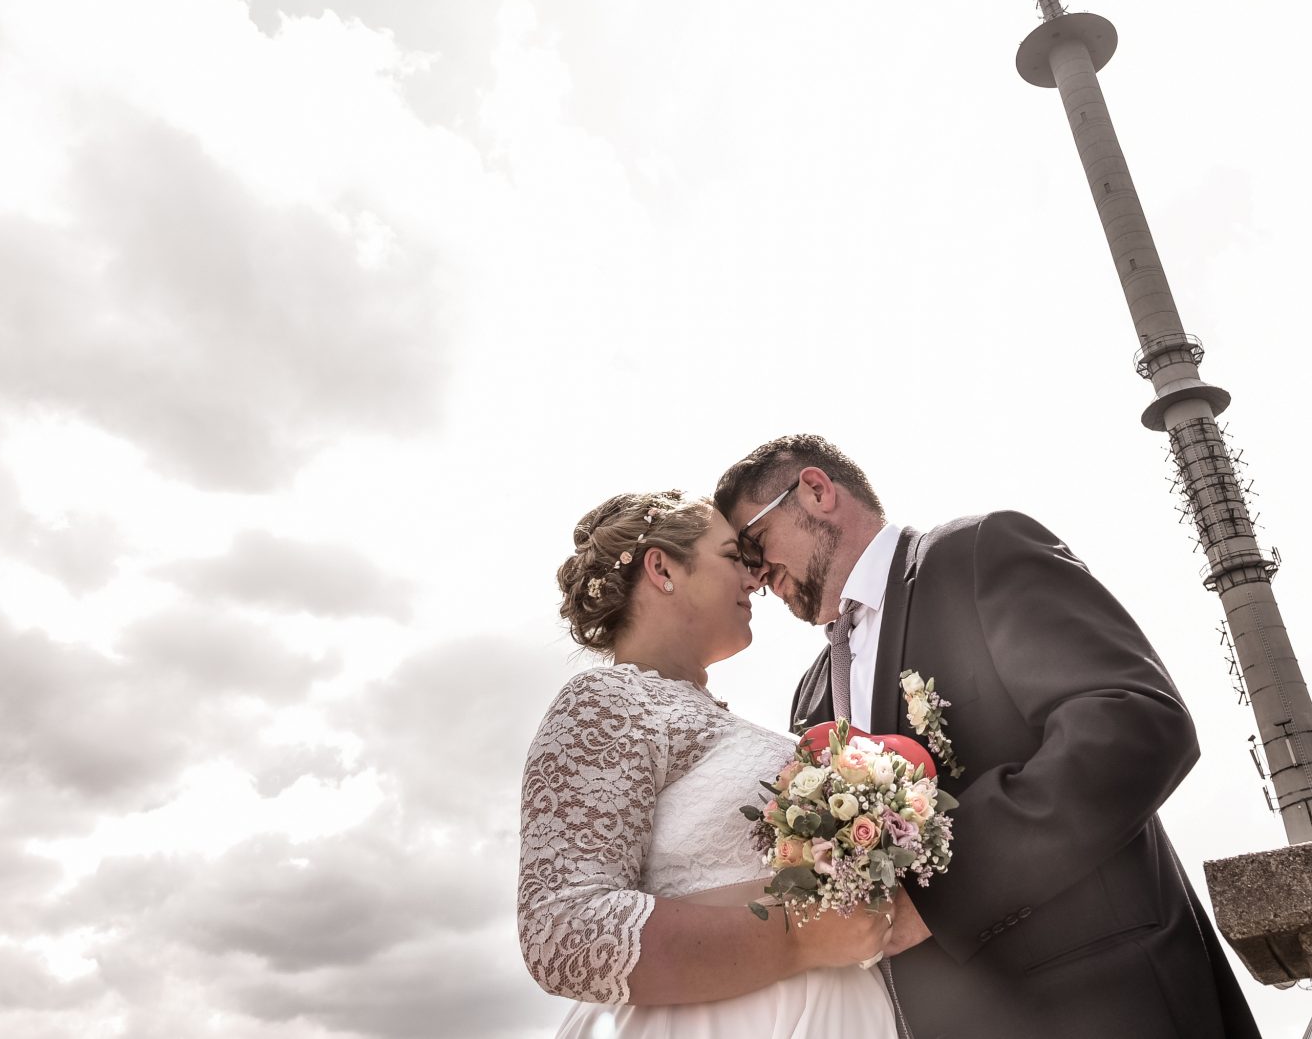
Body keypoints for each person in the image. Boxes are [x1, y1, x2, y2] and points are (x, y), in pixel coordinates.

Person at [716, 435, 1262, 1039]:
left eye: (753, 542)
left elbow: (1133, 723)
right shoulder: (813, 693)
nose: (758, 576)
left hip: (1104, 1002)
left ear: (816, 491)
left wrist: (938, 896)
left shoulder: (977, 554)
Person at [517, 489, 899, 1038]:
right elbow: (563, 930)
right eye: (732, 558)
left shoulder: (726, 721)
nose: (754, 580)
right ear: (662, 568)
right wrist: (796, 938)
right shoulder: (605, 702)